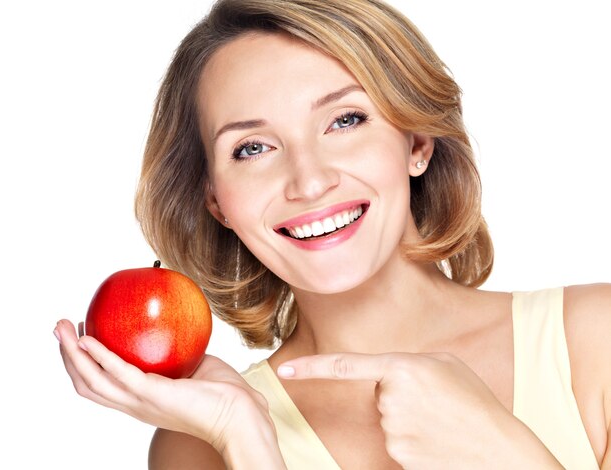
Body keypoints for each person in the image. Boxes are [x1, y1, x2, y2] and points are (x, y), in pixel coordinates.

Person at [53, 0, 611, 468]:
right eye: (252, 148)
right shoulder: (197, 443)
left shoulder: (597, 341)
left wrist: (502, 452)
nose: (310, 180)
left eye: (345, 120)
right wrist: (244, 439)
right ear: (216, 200)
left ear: (415, 142)